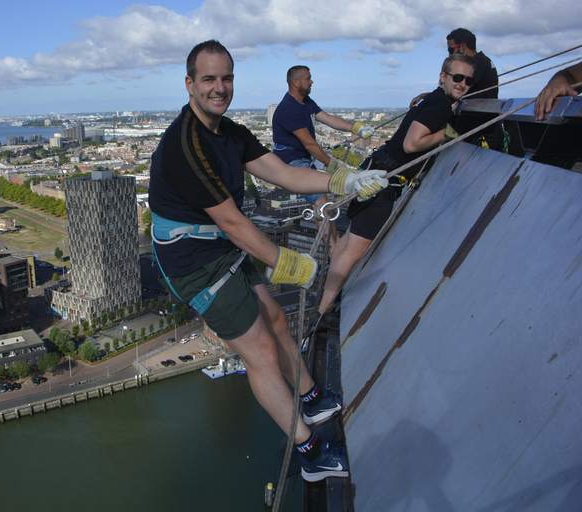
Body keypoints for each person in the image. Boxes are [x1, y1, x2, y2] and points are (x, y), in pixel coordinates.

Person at [148, 40, 387, 482]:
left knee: (276, 319)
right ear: (189, 84)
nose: (219, 88)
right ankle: (310, 452)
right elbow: (235, 223)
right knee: (258, 350)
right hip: (193, 262)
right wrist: (290, 264)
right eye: (209, 79)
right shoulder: (185, 148)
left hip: (216, 243)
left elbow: (281, 172)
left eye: (226, 79)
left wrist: (344, 179)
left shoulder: (229, 132)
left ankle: (310, 396)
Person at [314, 54, 475, 328]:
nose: (462, 84)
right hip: (385, 184)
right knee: (355, 250)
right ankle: (325, 310)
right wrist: (447, 134)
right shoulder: (440, 106)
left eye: (468, 80)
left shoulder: (431, 99)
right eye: (457, 77)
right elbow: (413, 145)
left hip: (376, 172)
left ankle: (324, 298)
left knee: (348, 243)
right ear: (443, 77)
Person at [272, 65, 375, 212]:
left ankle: (330, 235)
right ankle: (329, 235)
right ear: (296, 82)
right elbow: (309, 144)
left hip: (303, 158)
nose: (312, 81)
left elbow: (329, 119)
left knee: (323, 200)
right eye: (308, 78)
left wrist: (357, 128)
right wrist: (333, 165)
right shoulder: (289, 108)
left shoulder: (305, 102)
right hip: (292, 162)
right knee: (321, 201)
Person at [410, 28, 497, 107]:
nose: (450, 55)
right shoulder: (483, 60)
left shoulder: (477, 63)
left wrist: (426, 97)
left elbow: (454, 92)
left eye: (451, 50)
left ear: (462, 47)